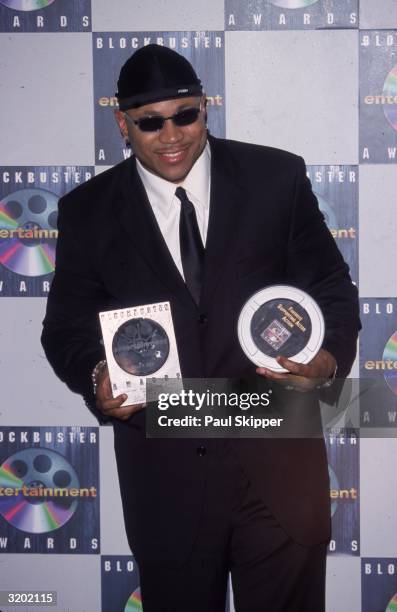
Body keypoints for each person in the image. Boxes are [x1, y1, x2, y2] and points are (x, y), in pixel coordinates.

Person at [41, 44, 360, 611]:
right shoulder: (88, 211)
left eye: (185, 115)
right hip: (169, 485)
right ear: (122, 123)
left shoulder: (275, 178)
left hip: (279, 472)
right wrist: (96, 376)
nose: (172, 136)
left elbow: (332, 289)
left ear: (205, 108)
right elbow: (65, 327)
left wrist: (328, 358)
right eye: (150, 122)